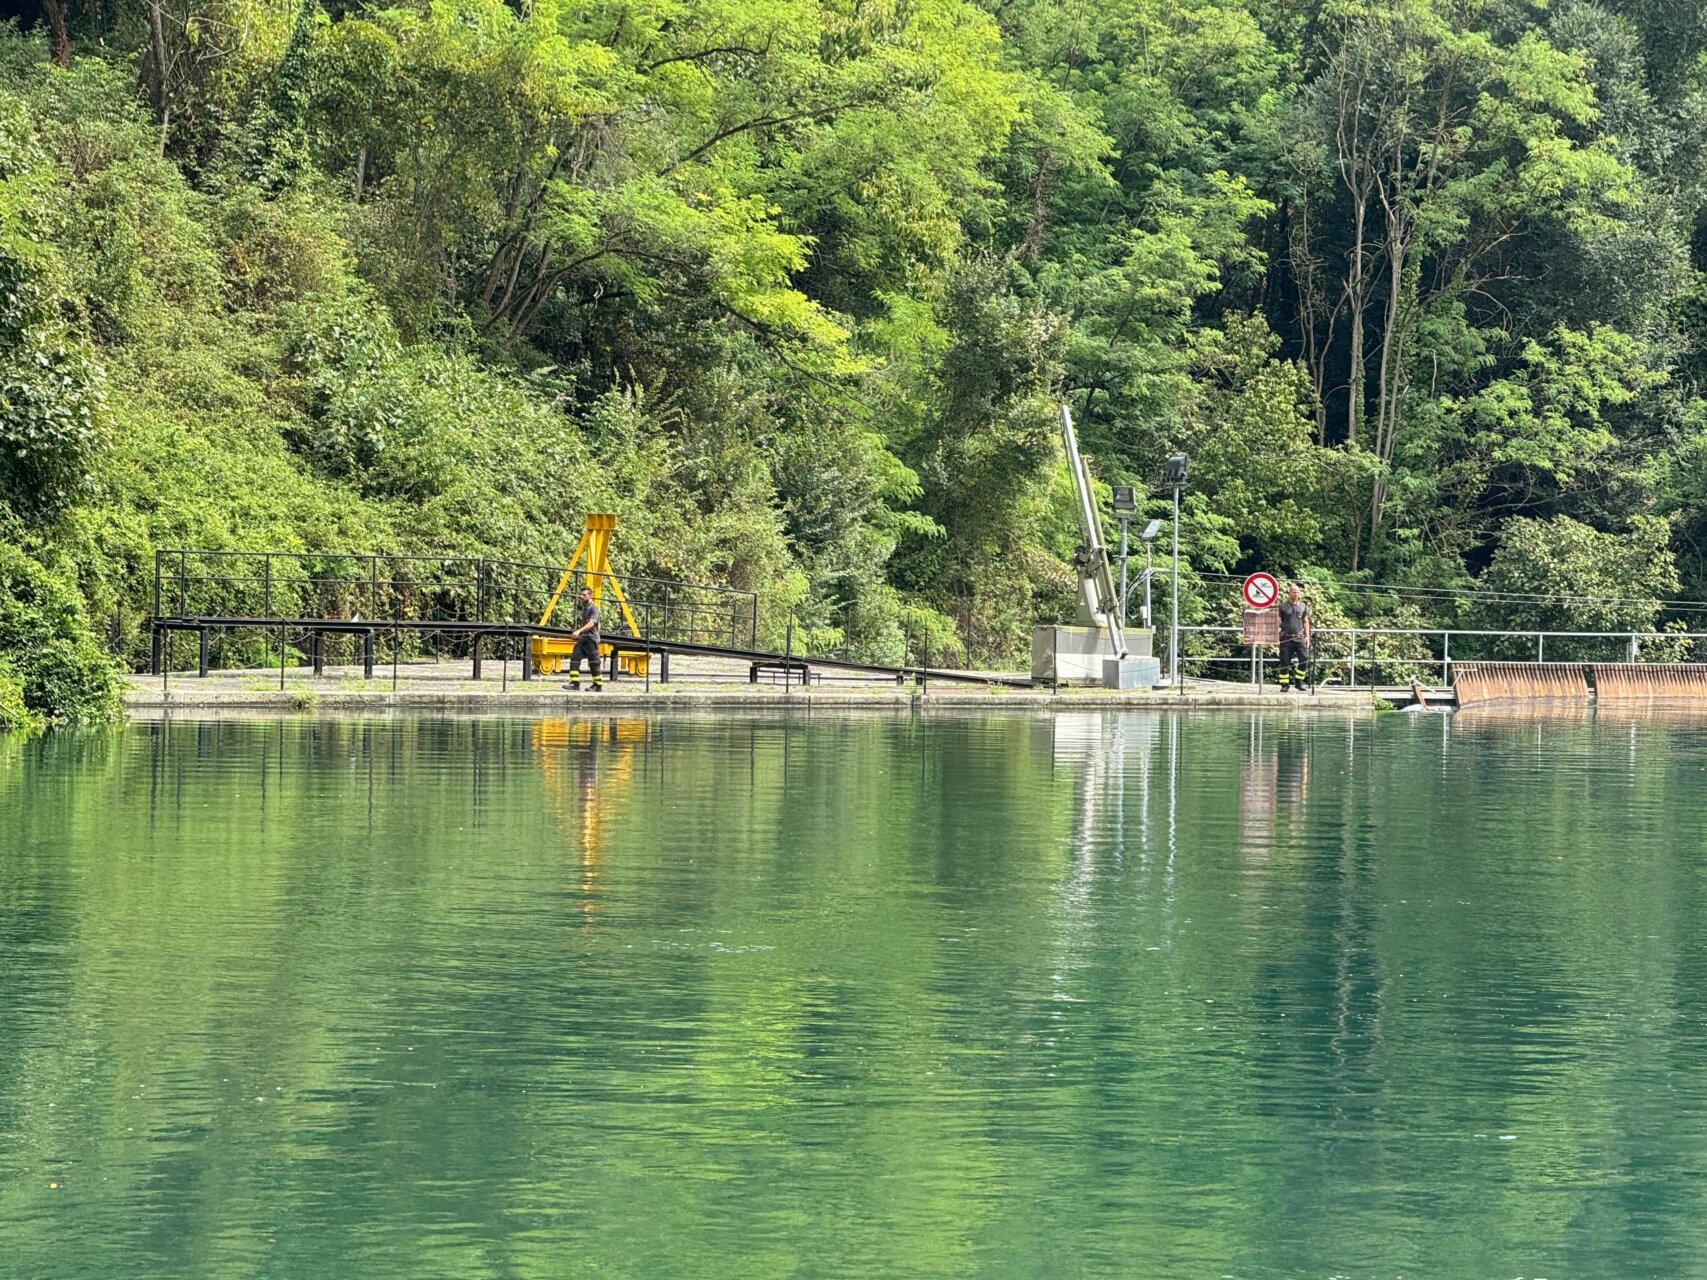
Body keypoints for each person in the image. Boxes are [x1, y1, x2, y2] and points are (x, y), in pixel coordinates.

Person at [566, 586, 603, 692]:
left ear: (590, 596)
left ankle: (597, 685)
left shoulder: (594, 608)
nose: (582, 597)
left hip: (591, 638)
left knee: (594, 662)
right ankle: (574, 683)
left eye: (584, 595)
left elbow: (592, 623)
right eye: (581, 595)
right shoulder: (585, 608)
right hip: (583, 638)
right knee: (575, 658)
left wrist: (578, 631)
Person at [1276, 582, 1310, 692]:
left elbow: (1305, 621)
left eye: (1298, 592)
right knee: (1285, 661)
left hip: (1299, 637)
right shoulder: (1282, 606)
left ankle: (1299, 681)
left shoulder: (1303, 606)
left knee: (1305, 659)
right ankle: (1284, 685)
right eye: (1294, 592)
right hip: (1286, 638)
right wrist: (1276, 637)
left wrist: (1307, 636)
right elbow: (1277, 622)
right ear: (1289, 593)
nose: (1296, 594)